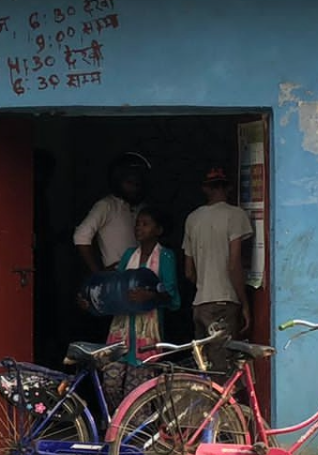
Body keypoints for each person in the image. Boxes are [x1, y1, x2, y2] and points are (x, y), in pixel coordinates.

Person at [103, 207, 180, 402]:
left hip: (147, 334)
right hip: (120, 331)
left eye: (145, 224)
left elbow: (172, 297)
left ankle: (134, 432)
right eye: (137, 224)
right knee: (110, 384)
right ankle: (117, 427)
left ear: (158, 230)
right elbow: (116, 287)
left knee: (137, 394)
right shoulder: (129, 255)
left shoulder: (165, 256)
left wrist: (150, 295)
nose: (139, 228)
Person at [183, 167, 253, 370]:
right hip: (224, 303)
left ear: (205, 189)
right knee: (223, 369)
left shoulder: (192, 219)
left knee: (204, 369)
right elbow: (234, 264)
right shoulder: (235, 215)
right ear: (229, 187)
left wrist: (205, 285)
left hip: (199, 305)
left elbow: (188, 272)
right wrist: (245, 304)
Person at [75, 154, 148, 273]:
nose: (134, 188)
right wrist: (99, 273)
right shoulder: (107, 205)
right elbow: (80, 237)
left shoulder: (142, 208)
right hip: (117, 280)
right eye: (129, 182)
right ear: (118, 181)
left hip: (142, 278)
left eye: (137, 184)